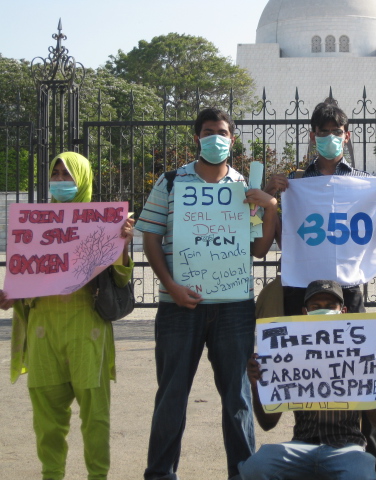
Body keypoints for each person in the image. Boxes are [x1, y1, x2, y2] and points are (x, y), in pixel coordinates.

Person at [136, 108, 278, 480]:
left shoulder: (242, 186)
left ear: (233, 139)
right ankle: (160, 474)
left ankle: (243, 473)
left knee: (238, 399)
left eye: (223, 132)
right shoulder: (170, 182)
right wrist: (171, 286)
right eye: (209, 131)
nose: (216, 138)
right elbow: (150, 237)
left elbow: (259, 249)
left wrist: (271, 206)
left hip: (234, 308)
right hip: (178, 306)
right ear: (197, 138)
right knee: (171, 397)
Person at [264, 101, 376, 479]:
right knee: (304, 366)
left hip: (349, 293)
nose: (330, 138)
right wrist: (271, 197)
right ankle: (308, 444)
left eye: (336, 131)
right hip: (302, 293)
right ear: (312, 137)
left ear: (348, 135)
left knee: (361, 372)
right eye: (322, 132)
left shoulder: (364, 182)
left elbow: (371, 244)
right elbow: (278, 238)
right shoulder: (293, 183)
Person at [0, 152, 135, 480]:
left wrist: (123, 244)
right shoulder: (35, 224)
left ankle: (97, 476)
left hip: (87, 329)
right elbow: (22, 280)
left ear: (84, 179)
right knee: (47, 423)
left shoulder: (103, 225)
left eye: (68, 175)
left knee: (96, 419)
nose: (61, 181)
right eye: (56, 174)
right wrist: (8, 296)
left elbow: (120, 280)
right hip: (43, 329)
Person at [238, 279, 376, 480]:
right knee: (254, 468)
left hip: (346, 448)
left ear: (344, 311)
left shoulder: (361, 353)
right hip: (301, 446)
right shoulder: (291, 351)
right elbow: (268, 423)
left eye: (331, 306)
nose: (324, 310)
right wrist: (257, 385)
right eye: (316, 306)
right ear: (305, 312)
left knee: (360, 474)